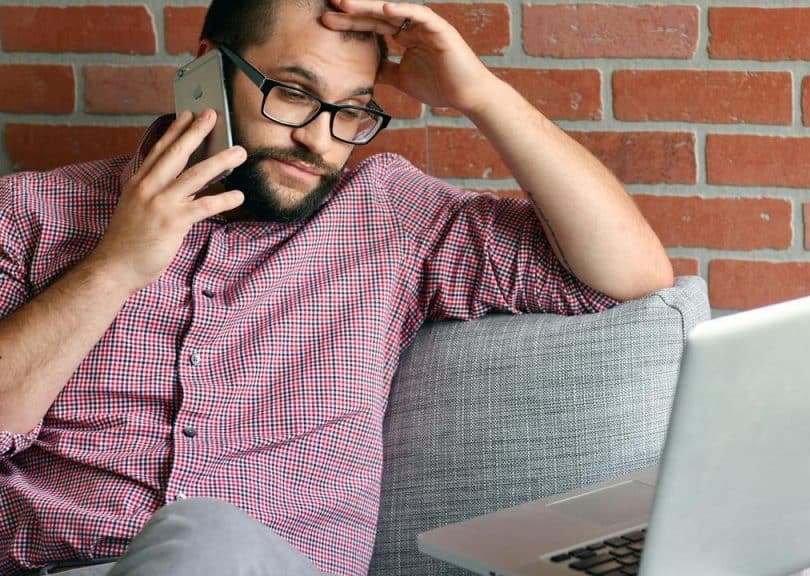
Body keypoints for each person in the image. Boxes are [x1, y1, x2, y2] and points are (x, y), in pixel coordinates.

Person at [0, 0, 673, 574]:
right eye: (292, 93)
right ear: (207, 68)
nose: (320, 141)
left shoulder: (388, 218)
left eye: (351, 111)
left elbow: (628, 271)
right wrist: (115, 266)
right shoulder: (32, 213)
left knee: (206, 536)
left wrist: (479, 93)